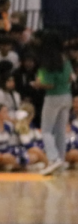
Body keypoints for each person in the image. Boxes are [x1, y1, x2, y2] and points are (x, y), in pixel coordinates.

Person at [35, 31, 72, 177]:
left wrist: (37, 84)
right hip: (66, 96)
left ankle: (53, 158)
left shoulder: (48, 61)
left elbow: (48, 84)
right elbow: (70, 78)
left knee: (46, 130)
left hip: (53, 98)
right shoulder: (65, 59)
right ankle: (60, 162)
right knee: (60, 131)